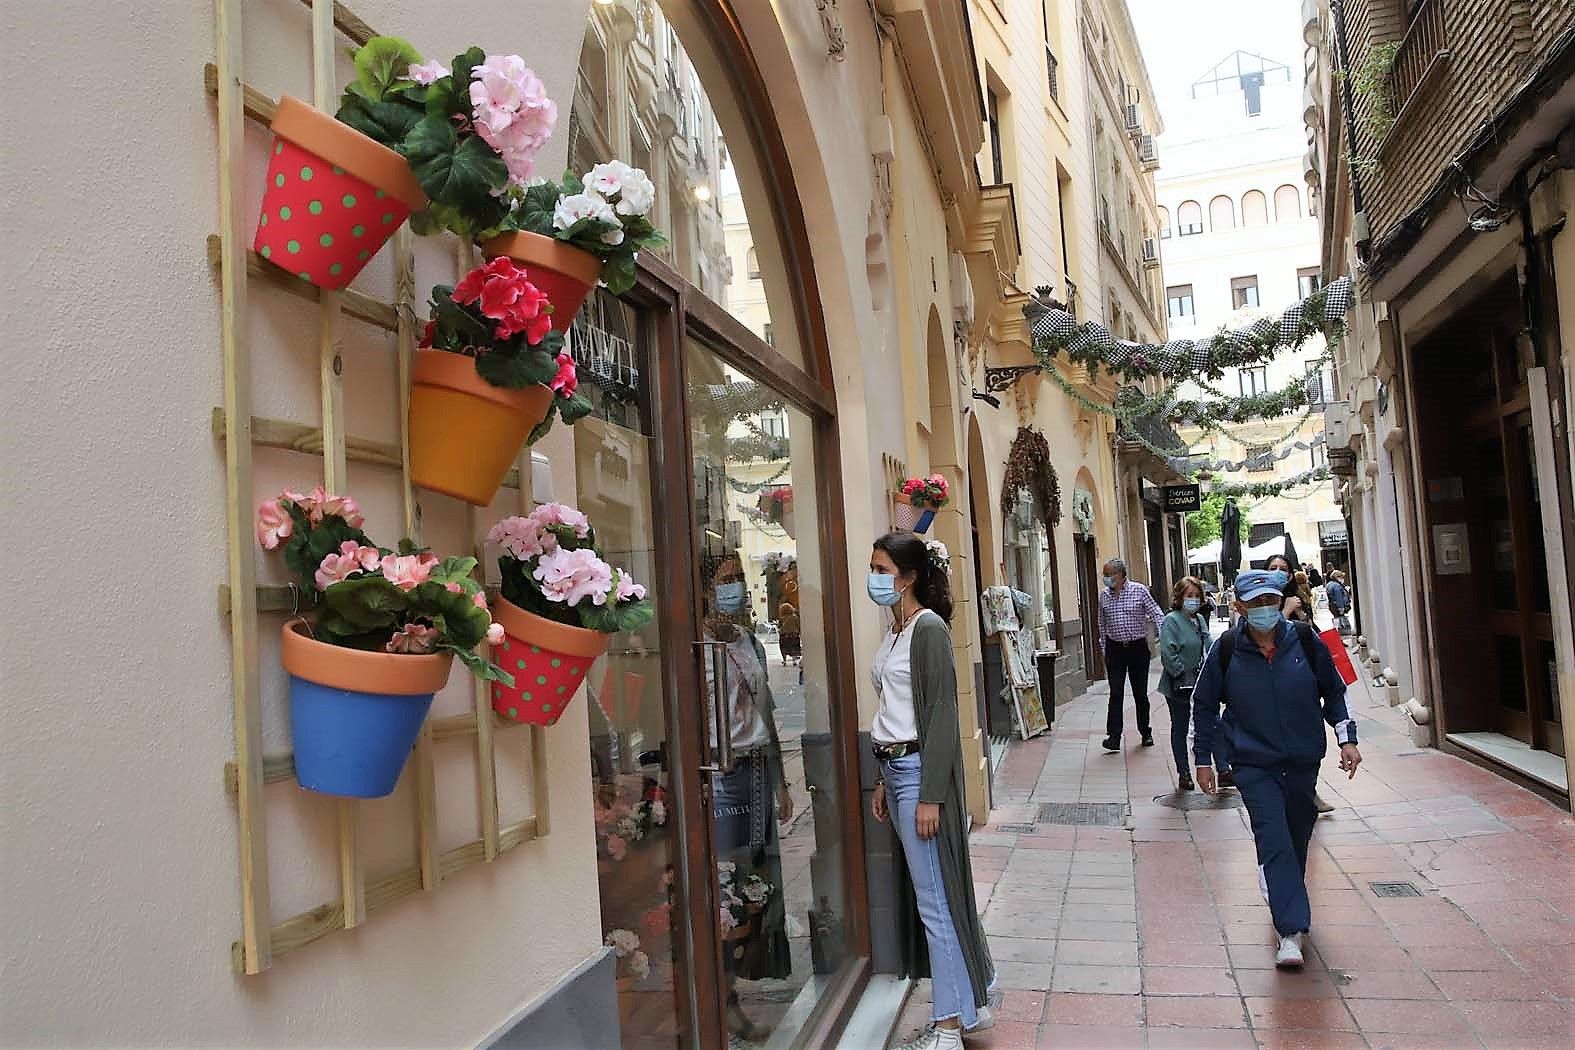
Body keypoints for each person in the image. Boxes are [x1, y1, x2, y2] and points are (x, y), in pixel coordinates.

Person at [1192, 569, 1363, 968]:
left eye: (1271, 601)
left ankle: (1280, 887)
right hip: (1253, 762)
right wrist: (1204, 759)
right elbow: (1204, 705)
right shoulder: (1227, 648)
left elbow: (1333, 690)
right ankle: (1291, 930)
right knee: (1273, 836)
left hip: (1303, 760)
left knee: (1297, 835)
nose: (1266, 609)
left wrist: (1347, 738)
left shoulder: (1305, 639)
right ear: (1239, 608)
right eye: (1256, 604)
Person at [868, 532, 995, 1049]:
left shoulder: (928, 629)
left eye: (881, 568)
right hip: (896, 772)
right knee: (933, 897)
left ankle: (948, 1026)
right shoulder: (895, 632)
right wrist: (883, 778)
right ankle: (967, 1002)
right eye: (872, 568)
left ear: (910, 575)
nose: (874, 578)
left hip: (919, 775)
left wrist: (930, 795)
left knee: (935, 901)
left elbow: (942, 716)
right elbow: (893, 711)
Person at [703, 555, 793, 1042]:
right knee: (726, 886)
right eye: (724, 581)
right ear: (705, 590)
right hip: (721, 774)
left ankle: (744, 978)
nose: (734, 588)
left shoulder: (749, 643)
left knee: (758, 881)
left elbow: (767, 716)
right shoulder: (695, 647)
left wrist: (781, 783)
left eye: (738, 579)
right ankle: (722, 997)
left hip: (757, 768)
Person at [1097, 557, 1166, 752]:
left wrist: (1166, 637)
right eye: (1105, 575)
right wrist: (1104, 649)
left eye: (1108, 574)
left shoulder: (1140, 591)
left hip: (1136, 647)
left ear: (1120, 574)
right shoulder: (1104, 596)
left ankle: (1145, 732)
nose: (1106, 579)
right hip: (1115, 648)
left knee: (1140, 693)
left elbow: (1156, 613)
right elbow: (1101, 623)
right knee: (1116, 692)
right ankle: (1113, 736)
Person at [1158, 577, 1211, 791]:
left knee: (1207, 723)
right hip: (1178, 684)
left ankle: (1220, 766)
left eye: (1197, 596)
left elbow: (1208, 643)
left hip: (1200, 680)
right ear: (1180, 597)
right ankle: (1184, 772)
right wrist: (1180, 671)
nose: (1194, 600)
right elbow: (1167, 652)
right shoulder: (1172, 620)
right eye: (1189, 596)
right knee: (1179, 726)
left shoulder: (1199, 619)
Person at [1326, 570, 1352, 634]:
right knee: (1339, 620)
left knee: (1337, 620)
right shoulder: (1337, 586)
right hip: (1338, 606)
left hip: (1332, 605)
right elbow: (1339, 597)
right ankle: (1339, 633)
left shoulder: (1329, 584)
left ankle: (1337, 632)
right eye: (1341, 577)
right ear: (1337, 577)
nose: (1343, 579)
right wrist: (1341, 608)